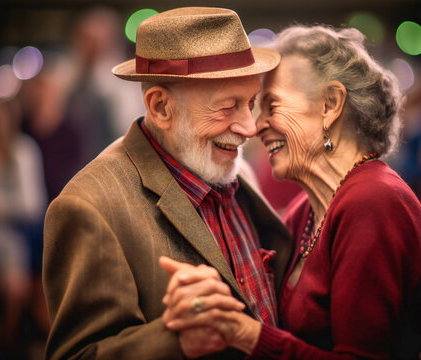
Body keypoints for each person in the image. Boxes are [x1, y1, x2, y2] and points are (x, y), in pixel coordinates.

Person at [160, 25, 421, 360]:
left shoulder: (373, 202)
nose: (255, 127)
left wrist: (245, 333)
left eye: (272, 106)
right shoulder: (307, 209)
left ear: (330, 104)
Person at [42, 7, 291, 360]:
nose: (249, 127)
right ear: (160, 107)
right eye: (227, 107)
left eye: (250, 103)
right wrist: (174, 339)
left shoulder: (235, 169)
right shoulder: (90, 207)